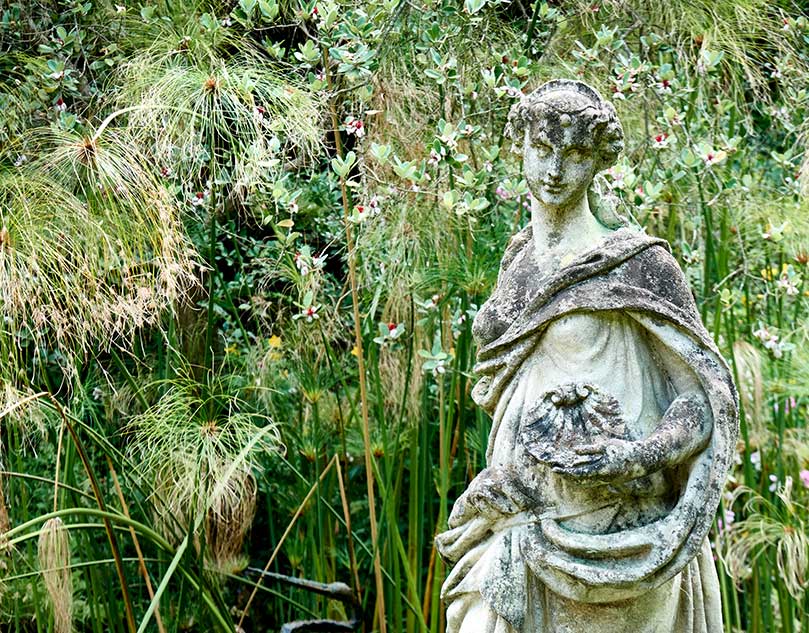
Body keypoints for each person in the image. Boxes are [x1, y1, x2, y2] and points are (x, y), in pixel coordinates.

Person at [435, 80, 738, 633]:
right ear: (519, 146)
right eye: (543, 149)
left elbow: (701, 401)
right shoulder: (517, 266)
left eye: (574, 154)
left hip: (614, 535)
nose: (554, 170)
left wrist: (636, 455)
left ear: (600, 159)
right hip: (518, 517)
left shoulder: (636, 265)